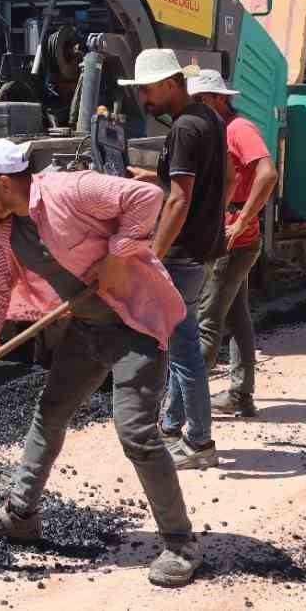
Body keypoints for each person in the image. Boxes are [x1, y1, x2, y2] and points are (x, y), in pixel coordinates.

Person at [0, 138, 202, 588]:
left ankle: (180, 543)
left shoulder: (67, 190)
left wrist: (119, 254)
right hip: (88, 329)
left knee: (136, 432)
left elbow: (147, 196)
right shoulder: (3, 231)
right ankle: (20, 515)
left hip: (134, 324)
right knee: (50, 413)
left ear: (2, 183)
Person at [118, 49, 232, 470]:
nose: (144, 98)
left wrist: (152, 255)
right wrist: (153, 177)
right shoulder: (210, 120)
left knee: (183, 350)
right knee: (183, 343)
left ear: (170, 83)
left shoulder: (184, 128)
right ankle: (171, 422)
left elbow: (181, 199)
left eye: (147, 89)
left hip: (182, 255)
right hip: (202, 249)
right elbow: (214, 181)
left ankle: (200, 442)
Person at [188, 69, 279, 418]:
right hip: (229, 237)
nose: (196, 106)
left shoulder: (239, 129)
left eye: (202, 100)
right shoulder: (216, 130)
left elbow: (268, 173)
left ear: (221, 98)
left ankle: (185, 411)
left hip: (233, 242)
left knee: (206, 321)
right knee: (237, 317)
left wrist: (240, 222)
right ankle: (241, 395)